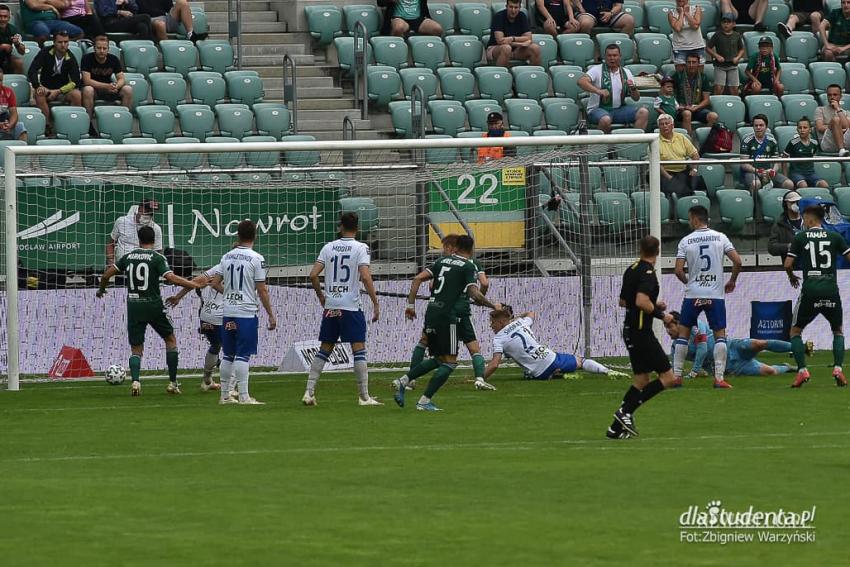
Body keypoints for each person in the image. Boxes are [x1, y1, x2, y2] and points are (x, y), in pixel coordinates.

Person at [392, 235, 502, 411]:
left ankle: (404, 380)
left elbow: (418, 279)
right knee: (450, 362)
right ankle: (424, 401)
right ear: (471, 249)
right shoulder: (468, 266)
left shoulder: (441, 261)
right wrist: (492, 305)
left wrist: (411, 305)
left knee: (437, 358)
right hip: (447, 316)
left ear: (456, 247)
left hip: (432, 312)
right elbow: (474, 293)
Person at [96, 225, 201, 396]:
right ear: (154, 240)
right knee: (170, 340)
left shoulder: (128, 257)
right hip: (153, 305)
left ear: (138, 239)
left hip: (134, 305)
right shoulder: (157, 258)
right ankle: (173, 383)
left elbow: (106, 275)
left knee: (136, 349)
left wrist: (101, 290)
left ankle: (136, 381)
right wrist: (193, 284)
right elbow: (171, 277)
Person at [303, 212, 382, 407]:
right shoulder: (360, 247)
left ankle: (308, 392)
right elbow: (365, 276)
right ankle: (364, 397)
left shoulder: (328, 247)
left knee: (325, 348)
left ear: (340, 227)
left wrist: (322, 296)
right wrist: (375, 302)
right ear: (357, 228)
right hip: (350, 306)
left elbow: (313, 275)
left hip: (331, 305)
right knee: (359, 349)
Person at [606, 235, 676, 439]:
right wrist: (663, 315)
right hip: (641, 333)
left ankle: (615, 429)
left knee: (641, 379)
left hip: (629, 330)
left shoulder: (632, 268)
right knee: (669, 378)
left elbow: (623, 301)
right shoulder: (648, 273)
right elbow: (641, 301)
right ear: (658, 251)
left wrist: (654, 304)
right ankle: (625, 412)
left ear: (640, 248)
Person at [671, 205, 742, 389]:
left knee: (683, 334)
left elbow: (678, 270)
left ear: (695, 219)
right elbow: (738, 261)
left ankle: (677, 376)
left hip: (693, 294)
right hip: (715, 294)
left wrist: (689, 282)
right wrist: (732, 280)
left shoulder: (686, 241)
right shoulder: (721, 237)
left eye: (689, 218)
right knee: (720, 336)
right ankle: (719, 379)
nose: (689, 222)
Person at [207, 220, 277, 405]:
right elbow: (262, 290)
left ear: (238, 235)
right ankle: (244, 396)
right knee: (243, 354)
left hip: (228, 310)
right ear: (255, 235)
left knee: (228, 354)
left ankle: (224, 396)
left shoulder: (227, 256)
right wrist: (270, 313)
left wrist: (229, 294)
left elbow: (214, 283)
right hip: (245, 312)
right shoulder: (257, 258)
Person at [785, 204, 850, 387]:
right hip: (831, 289)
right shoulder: (835, 237)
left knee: (795, 331)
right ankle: (838, 369)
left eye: (804, 218)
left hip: (811, 290)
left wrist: (791, 277)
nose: (803, 222)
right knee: (837, 331)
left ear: (811, 218)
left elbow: (787, 263)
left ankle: (802, 371)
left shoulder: (801, 237)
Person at [485, 309, 626, 381]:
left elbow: (494, 364)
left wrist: (480, 377)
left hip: (539, 373)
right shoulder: (522, 322)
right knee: (581, 361)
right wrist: (514, 319)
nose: (491, 326)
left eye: (493, 322)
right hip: (550, 358)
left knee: (527, 372)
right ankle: (607, 371)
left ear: (502, 322)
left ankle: (557, 374)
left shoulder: (499, 339)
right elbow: (531, 313)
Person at [664, 313, 796, 377]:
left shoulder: (696, 325)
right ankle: (788, 368)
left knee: (759, 343)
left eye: (670, 326)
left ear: (679, 323)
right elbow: (672, 369)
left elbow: (702, 349)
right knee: (770, 371)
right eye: (666, 327)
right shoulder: (676, 349)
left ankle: (797, 347)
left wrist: (694, 371)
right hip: (730, 367)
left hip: (733, 347)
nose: (668, 331)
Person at [165, 268, 225, 392]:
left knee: (216, 346)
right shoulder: (237, 267)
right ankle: (230, 385)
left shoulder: (220, 267)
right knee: (231, 348)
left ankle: (208, 379)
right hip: (224, 315)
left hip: (206, 315)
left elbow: (195, 282)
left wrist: (178, 296)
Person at [577, 43, 648, 134]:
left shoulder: (626, 72)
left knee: (643, 112)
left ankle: (634, 145)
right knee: (606, 119)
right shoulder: (597, 70)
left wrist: (633, 89)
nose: (612, 58)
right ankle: (603, 147)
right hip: (597, 109)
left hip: (618, 110)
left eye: (615, 55)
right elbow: (581, 81)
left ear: (620, 56)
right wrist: (598, 91)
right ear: (605, 57)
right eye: (609, 55)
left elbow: (636, 98)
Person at [27, 30, 82, 132]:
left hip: (62, 91)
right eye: (60, 42)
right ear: (54, 42)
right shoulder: (45, 52)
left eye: (66, 42)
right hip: (45, 88)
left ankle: (70, 126)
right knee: (39, 93)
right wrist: (38, 86)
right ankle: (47, 126)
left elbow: (75, 81)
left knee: (77, 94)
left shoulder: (70, 57)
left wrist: (59, 91)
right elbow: (32, 71)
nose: (63, 45)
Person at [81, 35, 132, 133]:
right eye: (99, 48)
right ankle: (88, 124)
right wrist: (107, 86)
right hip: (95, 89)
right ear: (94, 48)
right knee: (88, 89)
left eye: (104, 48)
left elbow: (121, 78)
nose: (101, 51)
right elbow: (87, 81)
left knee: (128, 89)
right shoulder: (87, 59)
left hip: (108, 88)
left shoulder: (113, 59)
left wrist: (116, 86)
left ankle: (123, 122)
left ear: (108, 49)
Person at [740, 114, 794, 192]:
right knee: (756, 184)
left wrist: (773, 171)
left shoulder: (772, 141)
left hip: (768, 172)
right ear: (753, 127)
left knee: (789, 184)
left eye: (761, 125)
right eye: (756, 125)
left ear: (766, 126)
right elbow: (744, 164)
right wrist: (758, 171)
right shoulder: (747, 141)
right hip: (752, 172)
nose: (758, 128)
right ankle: (754, 203)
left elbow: (777, 162)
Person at [657, 113, 706, 198]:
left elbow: (695, 155)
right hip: (665, 173)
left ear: (672, 125)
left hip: (683, 171)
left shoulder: (681, 137)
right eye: (662, 124)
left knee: (699, 184)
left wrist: (694, 169)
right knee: (682, 189)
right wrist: (668, 177)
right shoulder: (655, 141)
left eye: (667, 123)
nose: (665, 126)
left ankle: (699, 207)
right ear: (659, 127)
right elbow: (656, 164)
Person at [106, 198, 163, 266]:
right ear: (139, 209)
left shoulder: (156, 228)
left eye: (151, 213)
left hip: (143, 268)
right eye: (147, 211)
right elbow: (110, 244)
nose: (149, 214)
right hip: (121, 266)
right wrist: (111, 262)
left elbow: (158, 252)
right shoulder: (122, 221)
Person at [672, 52, 718, 135]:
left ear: (698, 64)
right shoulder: (678, 76)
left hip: (697, 108)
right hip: (682, 109)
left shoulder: (703, 77)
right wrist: (679, 106)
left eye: (694, 62)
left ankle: (705, 140)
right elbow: (669, 94)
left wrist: (697, 107)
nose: (691, 65)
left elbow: (707, 100)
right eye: (689, 62)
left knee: (713, 116)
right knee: (687, 113)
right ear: (685, 63)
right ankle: (688, 141)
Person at [486, 0, 541, 67]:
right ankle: (501, 76)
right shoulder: (499, 16)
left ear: (520, 7)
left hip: (516, 49)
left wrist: (512, 38)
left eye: (516, 7)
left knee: (535, 48)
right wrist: (520, 43)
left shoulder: (522, 16)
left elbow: (529, 37)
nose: (513, 10)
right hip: (495, 48)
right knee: (506, 48)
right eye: (511, 7)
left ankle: (533, 75)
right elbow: (500, 41)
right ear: (506, 7)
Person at [784, 117, 829, 190]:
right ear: (797, 129)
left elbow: (813, 155)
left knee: (824, 185)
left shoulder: (814, 143)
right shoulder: (793, 143)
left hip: (810, 173)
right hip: (796, 173)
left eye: (805, 127)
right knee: (803, 185)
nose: (802, 130)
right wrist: (785, 177)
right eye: (800, 128)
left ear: (810, 129)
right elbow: (784, 158)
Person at [705, 13, 744, 96]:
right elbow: (708, 48)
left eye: (728, 22)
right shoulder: (717, 35)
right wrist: (716, 56)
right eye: (724, 22)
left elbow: (741, 49)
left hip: (733, 65)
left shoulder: (737, 35)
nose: (726, 24)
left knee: (734, 89)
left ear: (733, 24)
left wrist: (738, 57)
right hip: (720, 65)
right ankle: (717, 105)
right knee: (719, 88)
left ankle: (734, 105)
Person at [136, 0, 206, 43]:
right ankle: (168, 48)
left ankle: (191, 34)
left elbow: (169, 7)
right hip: (149, 19)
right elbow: (141, 10)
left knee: (182, 2)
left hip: (165, 17)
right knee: (160, 24)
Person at [20, 0, 84, 43]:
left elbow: (63, 4)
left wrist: (46, 1)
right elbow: (34, 6)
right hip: (35, 22)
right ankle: (44, 52)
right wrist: (51, 7)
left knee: (79, 33)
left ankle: (60, 47)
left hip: (53, 21)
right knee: (43, 33)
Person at [815, 84, 850, 157]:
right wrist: (835, 127)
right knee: (836, 120)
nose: (832, 97)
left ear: (840, 96)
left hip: (845, 141)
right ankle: (841, 150)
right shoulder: (820, 110)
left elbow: (846, 126)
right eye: (829, 95)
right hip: (828, 143)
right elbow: (820, 128)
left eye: (835, 95)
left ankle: (842, 149)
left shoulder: (846, 112)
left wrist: (838, 109)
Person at [668, 0, 704, 71]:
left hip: (697, 47)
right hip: (680, 48)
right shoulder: (671, 13)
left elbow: (695, 25)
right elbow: (678, 28)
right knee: (681, 75)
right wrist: (681, 13)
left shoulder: (696, 9)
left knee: (699, 75)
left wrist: (687, 13)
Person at [768, 190, 804, 261]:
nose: (795, 204)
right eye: (792, 202)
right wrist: (789, 247)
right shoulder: (779, 224)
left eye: (798, 202)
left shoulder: (808, 220)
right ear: (785, 204)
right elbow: (772, 247)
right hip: (791, 264)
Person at [378, 0, 442, 37]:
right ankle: (397, 51)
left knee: (437, 29)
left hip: (418, 18)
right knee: (398, 28)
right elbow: (380, 3)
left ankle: (425, 50)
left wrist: (427, 18)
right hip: (399, 17)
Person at [570, 0, 635, 35]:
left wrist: (610, 13)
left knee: (629, 20)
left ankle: (616, 48)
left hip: (609, 13)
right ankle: (585, 47)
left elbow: (618, 6)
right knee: (585, 23)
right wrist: (581, 8)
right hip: (588, 13)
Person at [0, 68, 28, 141]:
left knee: (20, 127)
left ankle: (22, 151)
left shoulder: (8, 92)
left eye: (0, 80)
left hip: (4, 122)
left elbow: (14, 114)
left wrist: (10, 125)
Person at [0, 5, 25, 74]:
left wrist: (17, 44)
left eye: (5, 16)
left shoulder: (13, 29)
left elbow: (22, 52)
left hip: (6, 57)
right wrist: (2, 47)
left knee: (18, 62)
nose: (2, 19)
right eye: (0, 16)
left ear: (9, 17)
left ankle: (17, 83)